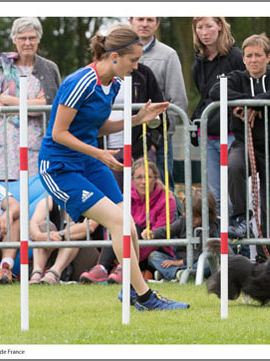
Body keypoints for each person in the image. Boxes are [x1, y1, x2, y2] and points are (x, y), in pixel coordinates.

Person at [38, 24, 188, 311]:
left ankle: (130, 291)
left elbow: (97, 125)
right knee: (118, 223)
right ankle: (145, 297)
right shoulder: (80, 82)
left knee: (128, 225)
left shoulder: (115, 84)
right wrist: (100, 153)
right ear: (115, 56)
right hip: (59, 166)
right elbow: (59, 133)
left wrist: (136, 119)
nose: (136, 66)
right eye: (133, 60)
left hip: (89, 161)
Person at [210, 34, 270, 262]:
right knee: (233, 165)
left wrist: (252, 104)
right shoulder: (237, 77)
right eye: (249, 56)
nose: (253, 60)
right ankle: (241, 218)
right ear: (243, 59)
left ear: (268, 57)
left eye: (258, 55)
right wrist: (249, 101)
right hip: (244, 143)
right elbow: (217, 91)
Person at [0, 17, 61, 182]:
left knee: (36, 188)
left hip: (35, 142)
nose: (27, 42)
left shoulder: (49, 68)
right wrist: (28, 106)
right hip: (5, 144)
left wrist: (8, 100)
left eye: (32, 38)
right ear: (14, 40)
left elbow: (47, 105)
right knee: (7, 192)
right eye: (22, 38)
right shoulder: (4, 65)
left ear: (38, 39)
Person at [80, 158, 176, 283]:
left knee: (132, 227)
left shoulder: (167, 200)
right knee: (120, 225)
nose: (143, 182)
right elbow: (110, 228)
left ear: (156, 179)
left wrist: (125, 258)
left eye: (148, 177)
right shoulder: (124, 197)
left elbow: (159, 234)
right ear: (132, 179)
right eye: (139, 177)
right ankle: (102, 267)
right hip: (125, 249)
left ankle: (122, 269)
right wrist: (117, 252)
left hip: (151, 249)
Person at [191, 17, 245, 212]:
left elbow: (244, 89)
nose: (204, 32)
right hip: (208, 133)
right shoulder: (198, 63)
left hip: (232, 133)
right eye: (200, 28)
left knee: (234, 189)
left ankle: (242, 236)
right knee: (215, 193)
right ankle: (222, 241)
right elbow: (204, 97)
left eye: (209, 26)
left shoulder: (236, 57)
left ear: (220, 26)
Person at [129, 17, 188, 191]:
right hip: (124, 137)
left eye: (150, 19)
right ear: (130, 21)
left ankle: (170, 219)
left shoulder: (168, 55)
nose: (145, 24)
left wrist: (160, 136)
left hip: (156, 140)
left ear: (157, 24)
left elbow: (178, 99)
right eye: (140, 19)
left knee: (162, 188)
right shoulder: (119, 54)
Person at [104, 54, 165, 192]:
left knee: (145, 196)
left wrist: (153, 144)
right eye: (133, 59)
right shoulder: (99, 77)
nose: (136, 65)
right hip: (109, 149)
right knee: (114, 196)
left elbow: (159, 108)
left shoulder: (144, 74)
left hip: (140, 147)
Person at [145, 188, 219, 281]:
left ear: (207, 214)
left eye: (196, 216)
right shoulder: (183, 221)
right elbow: (168, 230)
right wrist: (152, 234)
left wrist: (179, 263)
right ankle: (178, 273)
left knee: (206, 263)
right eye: (189, 215)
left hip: (198, 260)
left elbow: (199, 252)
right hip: (179, 259)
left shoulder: (211, 226)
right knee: (153, 256)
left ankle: (170, 273)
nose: (192, 219)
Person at [28, 196, 102, 284]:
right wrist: (39, 235)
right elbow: (32, 224)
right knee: (44, 226)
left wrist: (61, 235)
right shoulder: (49, 201)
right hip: (54, 255)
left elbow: (90, 226)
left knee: (73, 230)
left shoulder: (92, 201)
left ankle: (54, 273)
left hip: (83, 260)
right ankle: (37, 273)